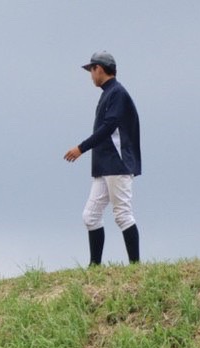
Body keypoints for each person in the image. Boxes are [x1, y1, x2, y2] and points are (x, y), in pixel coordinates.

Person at [63, 50, 142, 267]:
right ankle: (94, 266)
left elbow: (109, 127)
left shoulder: (117, 93)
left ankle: (135, 266)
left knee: (123, 214)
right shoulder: (109, 93)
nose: (90, 75)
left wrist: (81, 148)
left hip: (118, 163)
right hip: (104, 165)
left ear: (99, 68)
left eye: (91, 70)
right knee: (90, 215)